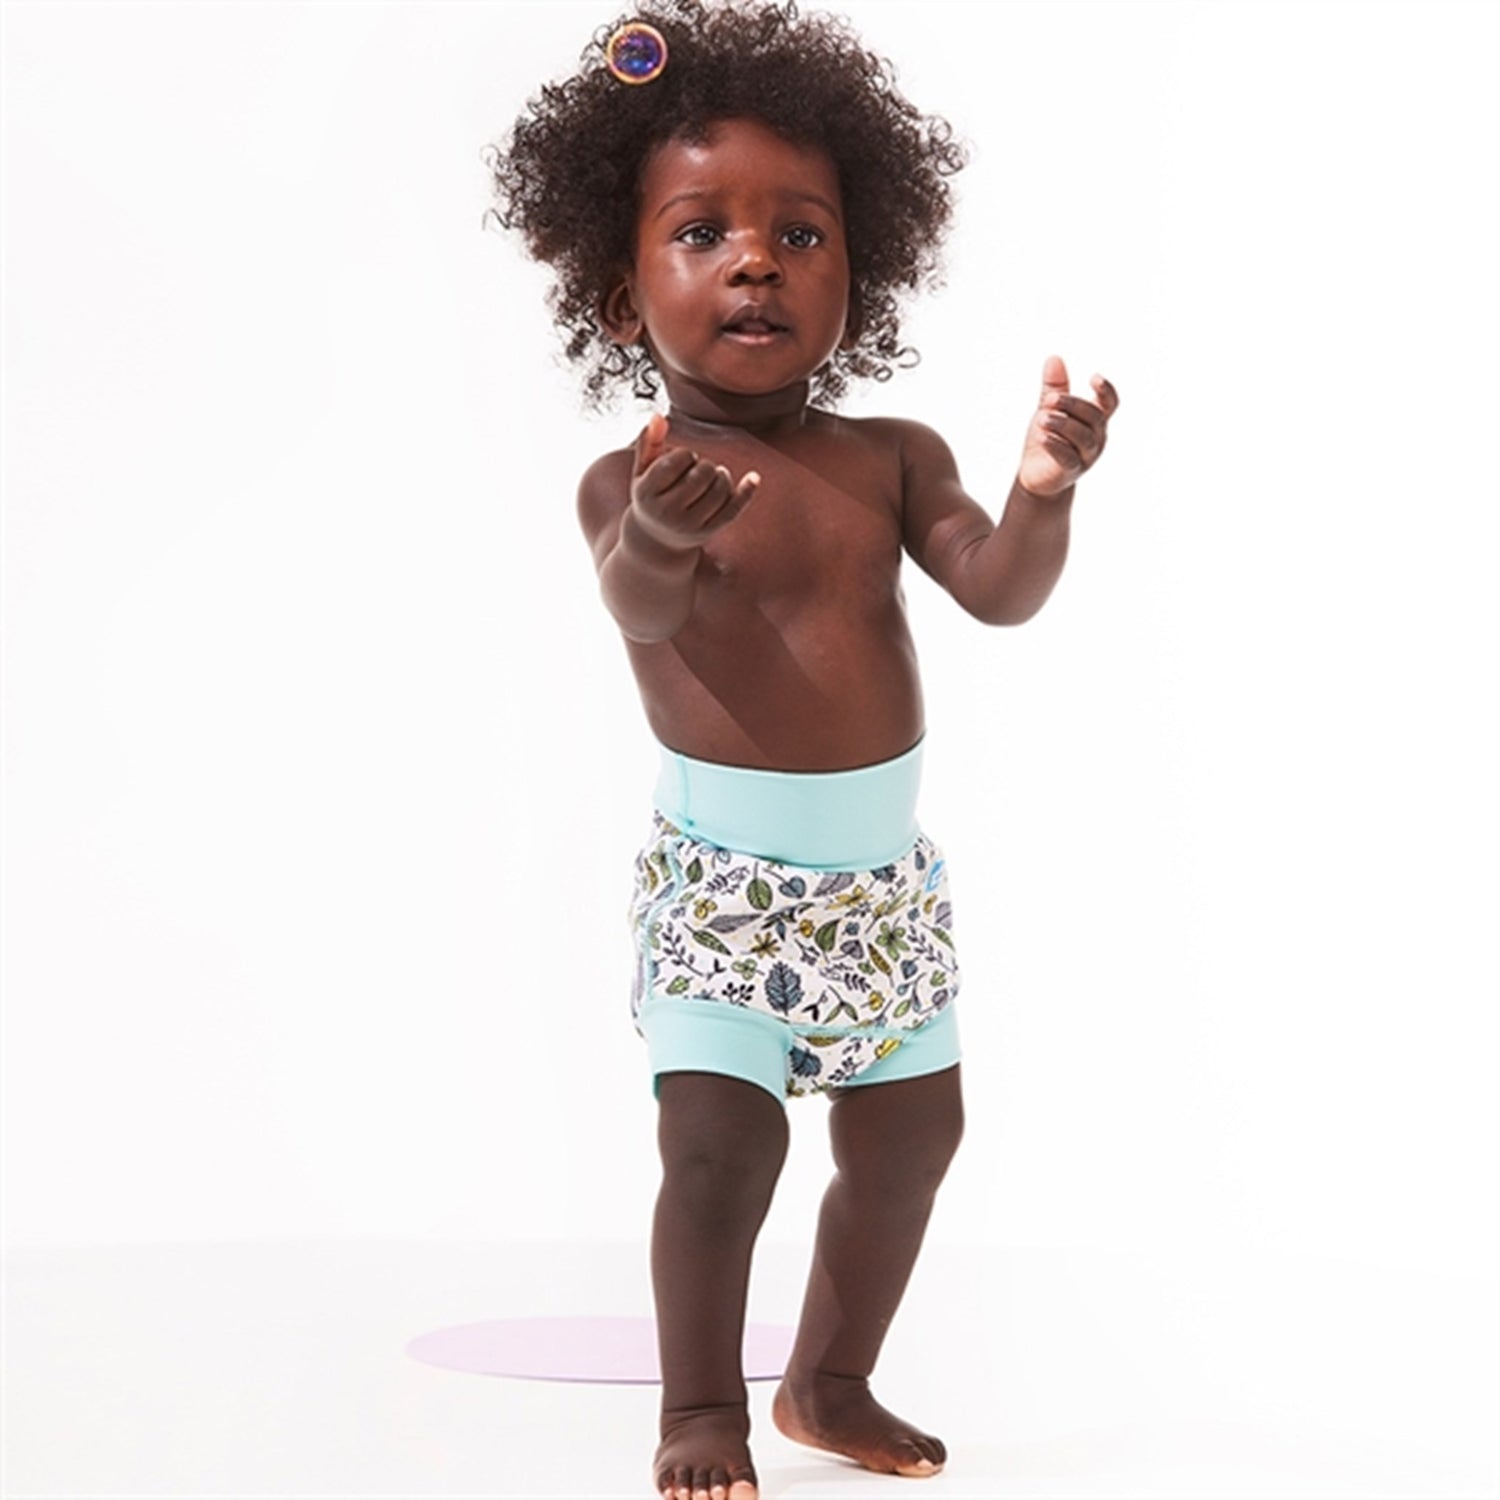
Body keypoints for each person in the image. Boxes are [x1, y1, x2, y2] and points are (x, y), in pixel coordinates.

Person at [487, 4, 1118, 1496]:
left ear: (859, 275)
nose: (757, 262)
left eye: (801, 235)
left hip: (881, 890)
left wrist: (1041, 494)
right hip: (724, 889)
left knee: (914, 1139)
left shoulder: (893, 457)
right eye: (702, 233)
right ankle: (700, 1409)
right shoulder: (632, 480)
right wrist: (659, 533)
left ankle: (829, 1385)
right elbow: (640, 605)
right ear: (621, 290)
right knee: (721, 1149)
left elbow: (999, 592)